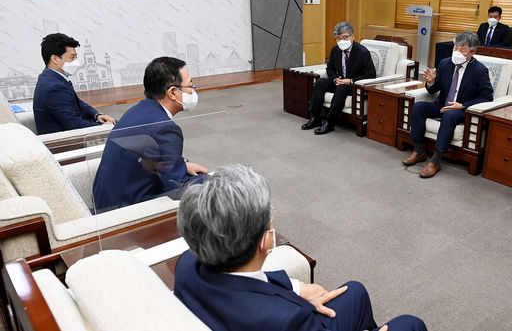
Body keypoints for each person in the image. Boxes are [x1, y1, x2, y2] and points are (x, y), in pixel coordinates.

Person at [174, 164, 427, 331]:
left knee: (355, 291)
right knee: (410, 324)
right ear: (265, 240)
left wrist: (295, 288)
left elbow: (243, 282)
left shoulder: (187, 263)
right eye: (270, 214)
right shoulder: (286, 320)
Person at [93, 57, 207, 210]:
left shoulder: (138, 110)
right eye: (190, 86)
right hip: (126, 211)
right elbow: (178, 186)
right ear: (173, 93)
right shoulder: (165, 128)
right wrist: (213, 181)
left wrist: (181, 165)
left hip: (107, 201)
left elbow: (152, 154)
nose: (193, 91)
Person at [402, 31, 493, 178]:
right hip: (441, 105)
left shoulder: (479, 70)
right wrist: (431, 82)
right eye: (455, 48)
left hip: (461, 110)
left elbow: (487, 97)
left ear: (473, 52)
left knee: (449, 115)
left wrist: (462, 105)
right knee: (418, 107)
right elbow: (433, 90)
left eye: (463, 50)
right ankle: (418, 151)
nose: (457, 52)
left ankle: (435, 161)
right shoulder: (445, 63)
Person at [33, 33, 116, 135]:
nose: (77, 62)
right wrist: (104, 128)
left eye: (76, 57)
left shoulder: (52, 77)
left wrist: (96, 115)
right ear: (55, 59)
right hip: (64, 141)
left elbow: (76, 102)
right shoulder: (53, 87)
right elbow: (75, 124)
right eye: (72, 58)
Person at [301, 22, 376, 135]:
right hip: (339, 82)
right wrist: (335, 78)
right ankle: (315, 118)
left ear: (352, 36)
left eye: (345, 37)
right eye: (338, 38)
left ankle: (330, 123)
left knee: (342, 88)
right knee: (320, 82)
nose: (342, 41)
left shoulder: (362, 52)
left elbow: (371, 74)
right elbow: (330, 69)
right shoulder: (335, 50)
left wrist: (351, 81)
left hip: (354, 85)